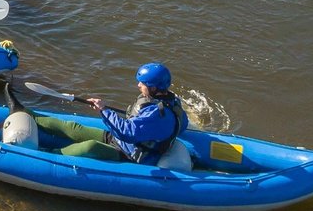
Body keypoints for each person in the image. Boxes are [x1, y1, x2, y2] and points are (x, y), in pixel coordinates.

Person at [21, 63, 189, 163]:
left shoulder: (159, 115)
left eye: (142, 83)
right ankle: (28, 114)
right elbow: (182, 124)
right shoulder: (170, 101)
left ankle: (43, 156)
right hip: (121, 141)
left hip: (130, 153)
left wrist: (104, 110)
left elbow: (126, 132)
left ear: (153, 87)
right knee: (74, 128)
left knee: (89, 146)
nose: (138, 85)